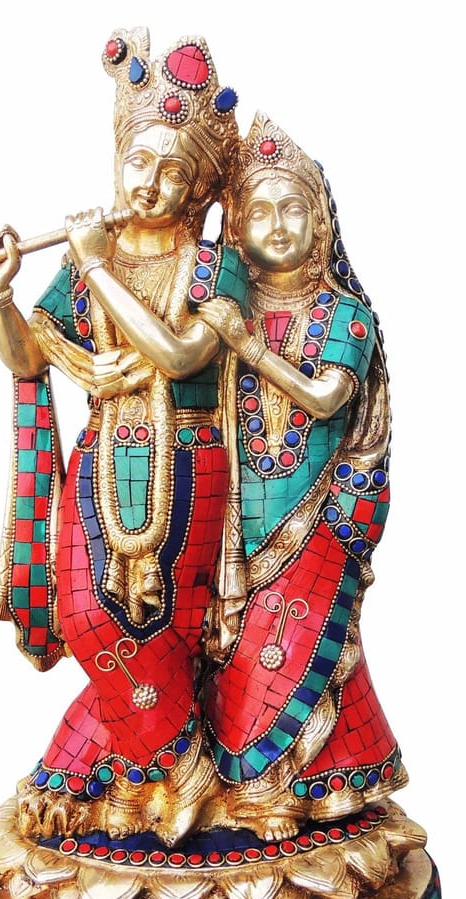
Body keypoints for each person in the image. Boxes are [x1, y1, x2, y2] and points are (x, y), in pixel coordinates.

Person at [0, 29, 248, 845]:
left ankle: (141, 781)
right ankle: (181, 767)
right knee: (87, 615)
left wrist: (96, 265)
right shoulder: (81, 263)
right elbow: (30, 357)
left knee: (166, 628)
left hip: (190, 461)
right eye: (138, 161)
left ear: (197, 188)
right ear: (117, 162)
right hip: (103, 452)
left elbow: (179, 356)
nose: (150, 182)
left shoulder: (215, 266)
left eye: (174, 170)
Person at [196, 113, 406, 841]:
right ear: (237, 227)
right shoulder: (221, 308)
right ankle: (231, 781)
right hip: (233, 525)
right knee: (230, 654)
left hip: (315, 519)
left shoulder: (345, 316)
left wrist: (246, 345)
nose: (277, 226)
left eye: (293, 209)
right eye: (259, 211)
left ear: (320, 224)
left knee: (298, 640)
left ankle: (296, 787)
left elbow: (324, 399)